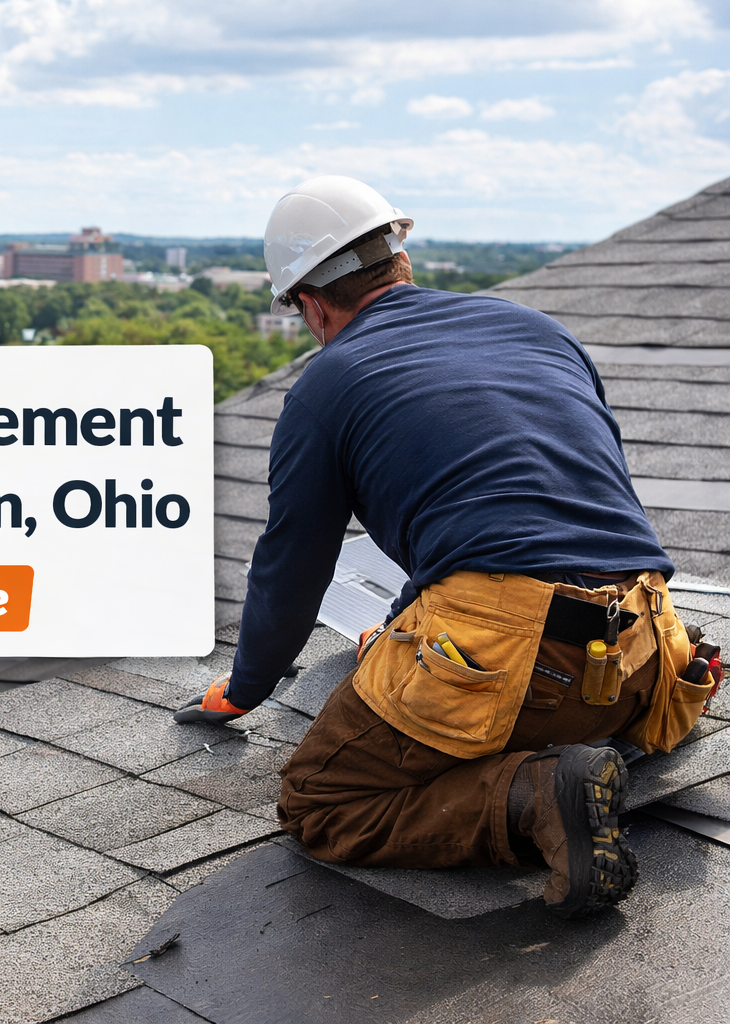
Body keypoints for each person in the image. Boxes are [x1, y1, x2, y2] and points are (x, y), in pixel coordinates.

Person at [174, 176, 715, 919]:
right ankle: (599, 740)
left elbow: (294, 561)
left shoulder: (330, 382)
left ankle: (539, 799)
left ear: (309, 303)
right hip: (646, 650)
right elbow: (568, 507)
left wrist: (246, 686)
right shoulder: (537, 330)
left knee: (320, 800)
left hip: (522, 667)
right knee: (527, 668)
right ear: (400, 259)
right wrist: (405, 633)